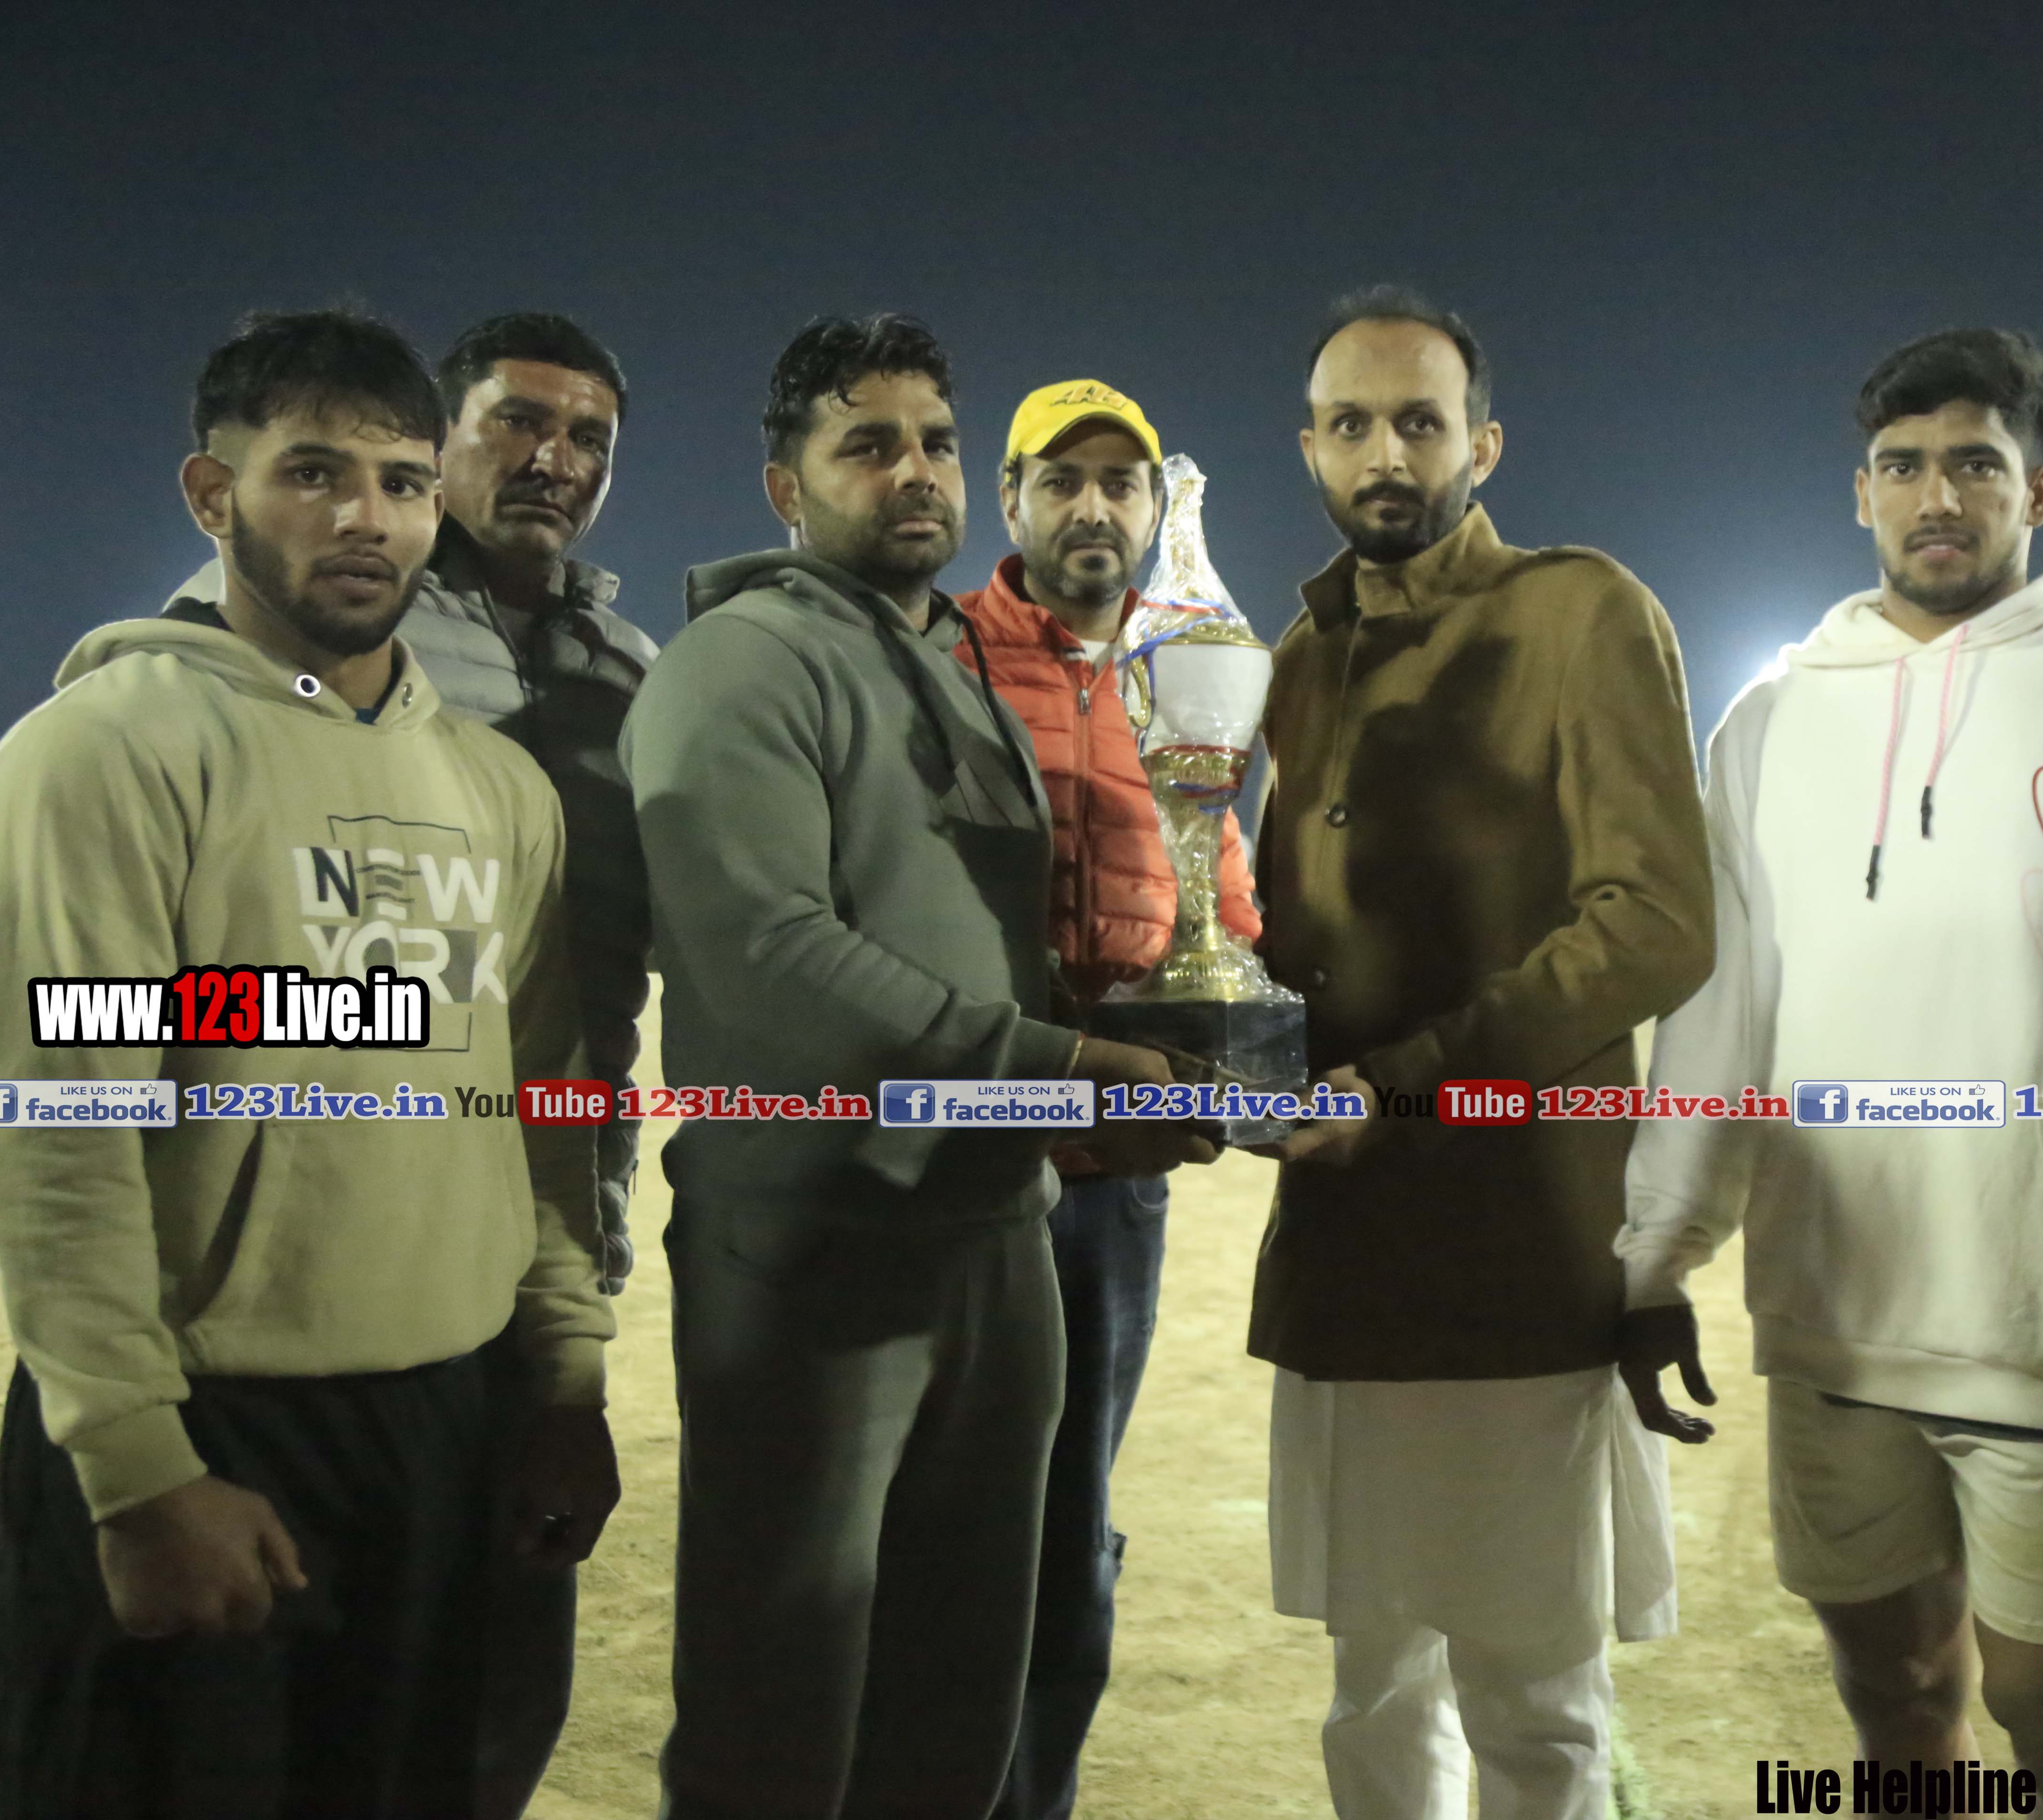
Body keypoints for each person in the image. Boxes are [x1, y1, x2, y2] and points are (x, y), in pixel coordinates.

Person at [0, 308, 617, 1818]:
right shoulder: (104, 754)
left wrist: (563, 1384)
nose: (365, 518)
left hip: (444, 1429)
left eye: (401, 481)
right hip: (208, 1429)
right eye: (313, 473)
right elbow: (55, 1129)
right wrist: (137, 1472)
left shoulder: (499, 789)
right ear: (215, 494)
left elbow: (537, 1108)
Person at [1614, 328, 2043, 1767]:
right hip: (1834, 1320)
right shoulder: (1770, 722)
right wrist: (1656, 1257)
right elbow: (1721, 1016)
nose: (1938, 497)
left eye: (1976, 464)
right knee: (1894, 1697)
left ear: (2039, 490)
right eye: (1903, 467)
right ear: (1862, 494)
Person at [623, 314, 1210, 1820]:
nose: (916, 473)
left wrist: (1184, 1046)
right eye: (868, 445)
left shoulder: (955, 668)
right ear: (785, 486)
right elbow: (773, 959)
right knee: (780, 1715)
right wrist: (1059, 1068)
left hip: (994, 1242)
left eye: (937, 442)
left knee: (957, 1716)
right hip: (817, 1258)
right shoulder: (737, 665)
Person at [167, 309, 656, 1818]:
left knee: (486, 1701)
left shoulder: (628, 665)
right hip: (300, 1284)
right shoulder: (290, 641)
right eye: (519, 422)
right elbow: (137, 1008)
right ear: (442, 444)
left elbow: (595, 992)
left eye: (588, 438)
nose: (554, 459)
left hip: (545, 1221)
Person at [1250, 285, 1714, 1820]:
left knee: (1533, 1692)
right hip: (1344, 1243)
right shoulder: (1295, 658)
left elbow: (1654, 924)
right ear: (1309, 448)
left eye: (1420, 422)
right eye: (1353, 425)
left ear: (1483, 445)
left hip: (1515, 1247)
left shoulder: (1581, 614)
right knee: (1372, 1678)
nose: (1387, 454)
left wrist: (1405, 1080)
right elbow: (1288, 938)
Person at [954, 379, 1260, 1820]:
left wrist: (1248, 1043)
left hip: (1110, 1187)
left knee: (1071, 1525)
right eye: (1062, 478)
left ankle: (1038, 1800)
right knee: (941, 1514)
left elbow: (1223, 898)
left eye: (1121, 483)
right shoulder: (941, 654)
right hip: (952, 1164)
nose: (1094, 506)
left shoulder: (1185, 676)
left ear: (1152, 510)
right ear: (1011, 500)